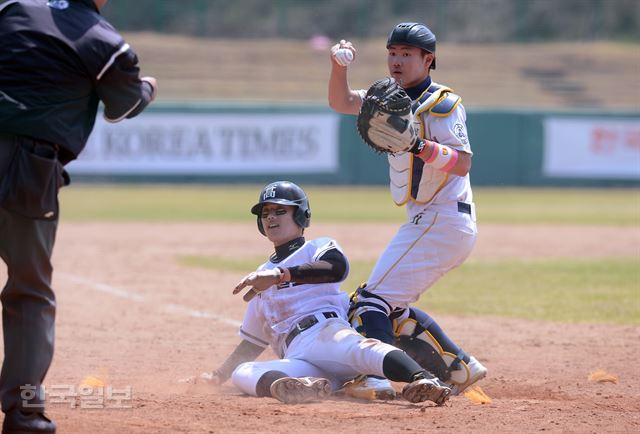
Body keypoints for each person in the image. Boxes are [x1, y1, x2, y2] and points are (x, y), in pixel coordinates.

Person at [0, 1, 157, 432]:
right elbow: (121, 106)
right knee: (29, 289)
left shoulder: (13, 8)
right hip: (26, 169)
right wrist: (146, 88)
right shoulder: (104, 41)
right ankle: (23, 412)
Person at [327, 22, 487, 399]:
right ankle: (458, 366)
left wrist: (417, 145)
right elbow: (341, 102)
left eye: (406, 54)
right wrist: (338, 67)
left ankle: (376, 378)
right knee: (390, 307)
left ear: (428, 59)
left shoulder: (443, 103)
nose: (396, 60)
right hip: (430, 219)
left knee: (370, 303)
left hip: (443, 218)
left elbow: (462, 163)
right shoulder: (388, 97)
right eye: (392, 53)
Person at [196, 181, 452, 406]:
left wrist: (279, 275)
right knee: (243, 372)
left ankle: (422, 379)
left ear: (301, 216)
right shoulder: (261, 275)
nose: (270, 218)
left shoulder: (316, 247)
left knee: (367, 351)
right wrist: (217, 376)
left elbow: (336, 268)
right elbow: (252, 342)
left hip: (325, 334)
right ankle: (300, 388)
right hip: (299, 358)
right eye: (265, 213)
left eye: (280, 211)